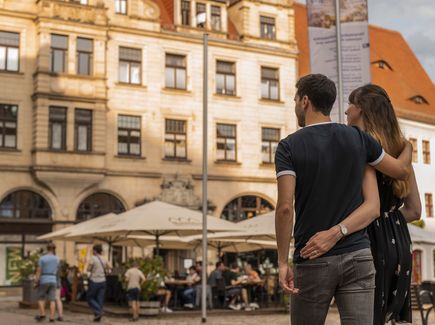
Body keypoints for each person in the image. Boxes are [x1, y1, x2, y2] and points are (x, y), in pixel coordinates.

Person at [275, 74, 412, 324]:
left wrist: (282, 261)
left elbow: (285, 208)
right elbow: (400, 171)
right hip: (358, 255)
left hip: (312, 256)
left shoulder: (288, 146)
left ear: (305, 101)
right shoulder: (358, 139)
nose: (295, 103)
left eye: (295, 99)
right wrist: (408, 148)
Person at [345, 84, 421, 324]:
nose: (346, 111)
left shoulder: (361, 146)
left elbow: (366, 205)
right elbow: (415, 209)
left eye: (349, 105)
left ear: (360, 110)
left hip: (367, 243)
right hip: (399, 243)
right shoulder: (401, 150)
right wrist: (390, 223)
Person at [34, 243, 60, 322]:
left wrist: (36, 281)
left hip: (44, 279)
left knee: (40, 298)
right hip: (53, 279)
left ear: (47, 248)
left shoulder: (42, 258)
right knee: (52, 299)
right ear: (54, 249)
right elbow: (57, 269)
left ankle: (42, 315)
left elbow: (39, 270)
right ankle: (52, 318)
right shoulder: (57, 258)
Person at [87, 244, 110, 322]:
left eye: (93, 250)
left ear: (95, 251)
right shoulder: (104, 258)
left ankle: (99, 311)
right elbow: (109, 267)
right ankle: (97, 317)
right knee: (100, 299)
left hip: (95, 280)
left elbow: (88, 269)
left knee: (90, 298)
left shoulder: (93, 258)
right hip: (103, 281)